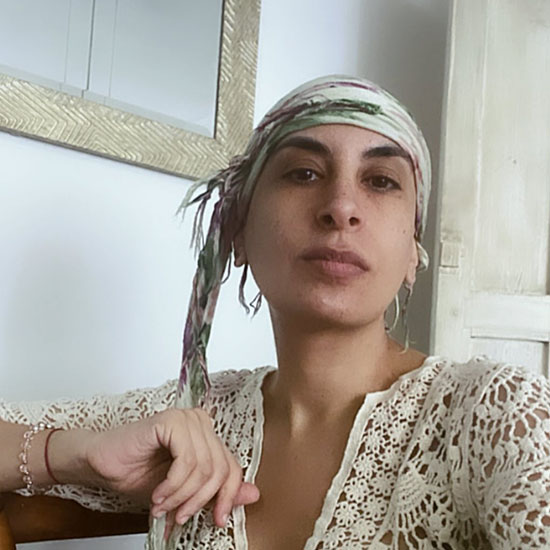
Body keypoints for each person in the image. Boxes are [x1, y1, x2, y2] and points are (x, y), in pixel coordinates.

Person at [1, 75, 550, 550]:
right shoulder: (196, 413)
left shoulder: (494, 415)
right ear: (238, 232)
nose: (341, 207)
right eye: (304, 173)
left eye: (381, 181)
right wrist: (77, 453)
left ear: (413, 253)